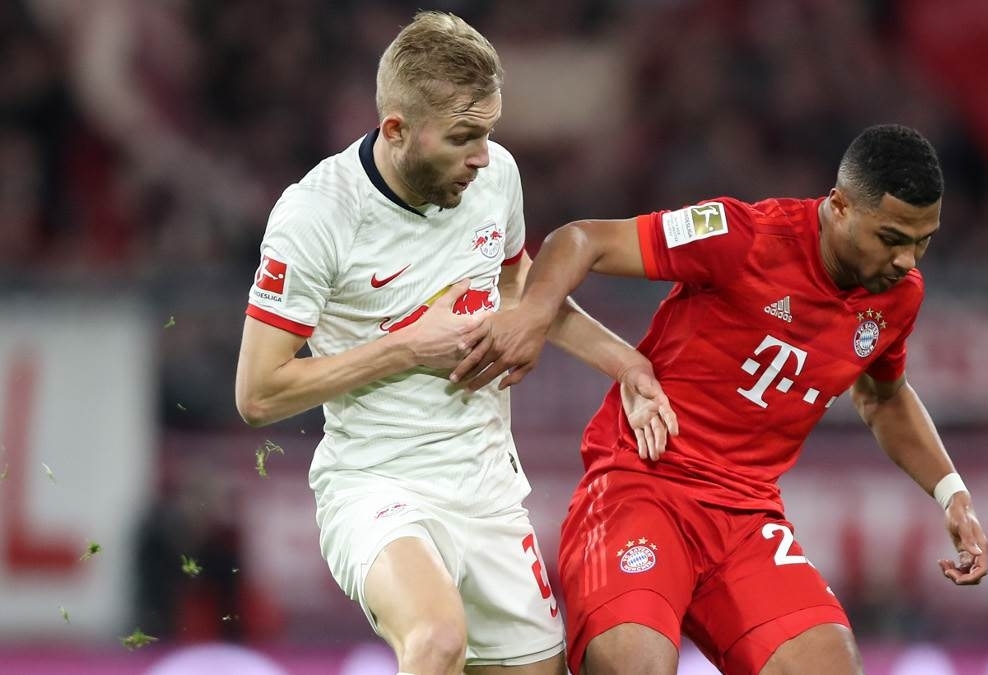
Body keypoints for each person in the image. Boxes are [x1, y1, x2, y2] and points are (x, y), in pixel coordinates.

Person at [452, 124, 988, 675]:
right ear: (839, 207)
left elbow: (884, 398)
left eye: (923, 241)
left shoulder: (897, 298)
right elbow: (580, 240)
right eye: (892, 238)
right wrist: (533, 315)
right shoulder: (742, 235)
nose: (908, 261)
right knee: (634, 668)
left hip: (747, 517)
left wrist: (952, 493)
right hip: (643, 486)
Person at [234, 12, 675, 675]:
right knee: (437, 640)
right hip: (377, 485)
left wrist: (627, 364)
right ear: (396, 130)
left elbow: (522, 290)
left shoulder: (496, 177)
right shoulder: (316, 215)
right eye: (464, 137)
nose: (482, 156)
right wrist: (407, 348)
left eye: (489, 133)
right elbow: (258, 393)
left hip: (487, 489)